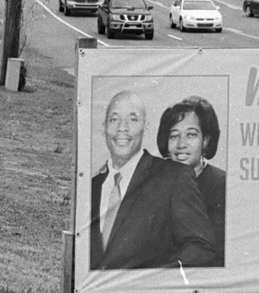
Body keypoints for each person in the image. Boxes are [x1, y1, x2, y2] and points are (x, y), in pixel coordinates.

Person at [89, 90, 218, 270]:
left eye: (133, 119)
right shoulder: (91, 187)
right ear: (104, 128)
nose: (122, 128)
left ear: (146, 126)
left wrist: (149, 278)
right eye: (114, 119)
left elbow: (201, 248)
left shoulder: (174, 176)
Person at [157, 97, 227, 266]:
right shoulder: (153, 183)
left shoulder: (221, 185)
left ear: (206, 141)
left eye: (191, 135)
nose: (181, 144)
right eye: (174, 136)